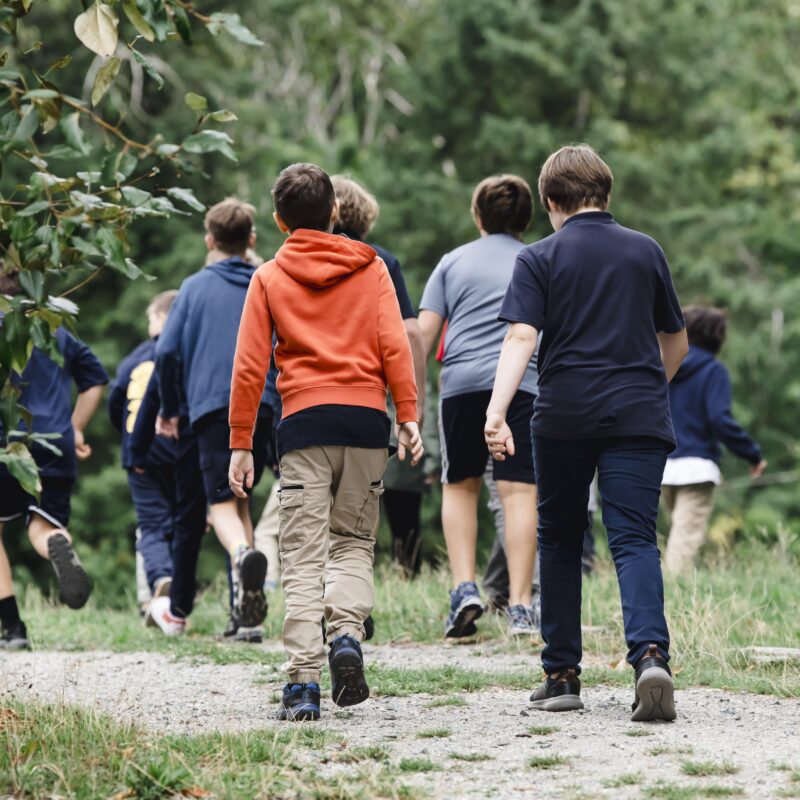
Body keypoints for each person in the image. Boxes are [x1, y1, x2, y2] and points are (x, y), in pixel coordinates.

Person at [485, 145, 688, 722]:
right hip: (638, 415)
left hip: (564, 415)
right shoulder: (645, 251)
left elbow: (521, 337)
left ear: (550, 201)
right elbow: (676, 341)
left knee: (560, 537)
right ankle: (650, 656)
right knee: (633, 538)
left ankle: (562, 675)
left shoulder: (539, 257)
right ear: (607, 193)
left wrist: (496, 413)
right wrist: (650, 384)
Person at [228, 163, 422, 721]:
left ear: (278, 220)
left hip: (304, 426)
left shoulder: (267, 276)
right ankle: (345, 637)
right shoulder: (372, 267)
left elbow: (248, 368)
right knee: (354, 543)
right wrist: (406, 414)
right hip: (365, 423)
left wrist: (242, 442)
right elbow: (394, 345)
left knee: (303, 553)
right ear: (335, 212)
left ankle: (303, 685)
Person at [418, 174, 539, 639]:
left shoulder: (452, 261)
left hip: (462, 385)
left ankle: (464, 588)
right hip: (523, 384)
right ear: (527, 219)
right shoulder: (535, 259)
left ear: (477, 216)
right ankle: (523, 607)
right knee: (519, 492)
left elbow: (424, 336)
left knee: (461, 486)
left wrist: (410, 406)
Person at [155, 198, 274, 639]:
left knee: (220, 502)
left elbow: (166, 351)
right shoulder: (265, 281)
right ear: (252, 240)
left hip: (212, 405)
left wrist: (169, 409)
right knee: (241, 498)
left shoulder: (193, 287)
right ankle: (244, 619)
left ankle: (243, 556)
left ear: (209, 240)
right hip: (261, 402)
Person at [0, 272, 107, 649]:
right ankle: (58, 546)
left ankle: (12, 628)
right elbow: (95, 379)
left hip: (6, 443)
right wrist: (75, 426)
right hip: (55, 441)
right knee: (42, 525)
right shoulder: (55, 328)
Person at [662, 305, 767, 574]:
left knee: (676, 533)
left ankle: (668, 592)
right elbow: (720, 420)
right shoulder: (713, 370)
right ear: (717, 337)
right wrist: (752, 454)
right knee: (684, 542)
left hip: (662, 465)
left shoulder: (665, 365)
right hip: (696, 468)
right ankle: (671, 599)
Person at [108, 290, 178, 620]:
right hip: (177, 447)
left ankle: (160, 578)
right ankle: (178, 595)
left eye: (151, 316)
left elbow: (115, 398)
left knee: (151, 525)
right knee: (182, 522)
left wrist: (126, 435)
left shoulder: (136, 357)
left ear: (162, 317)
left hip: (140, 451)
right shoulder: (183, 352)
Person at [382, 383, 440, 576]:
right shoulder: (412, 365)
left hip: (377, 448)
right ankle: (407, 573)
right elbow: (427, 412)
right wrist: (433, 459)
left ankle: (397, 573)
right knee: (407, 525)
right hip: (405, 457)